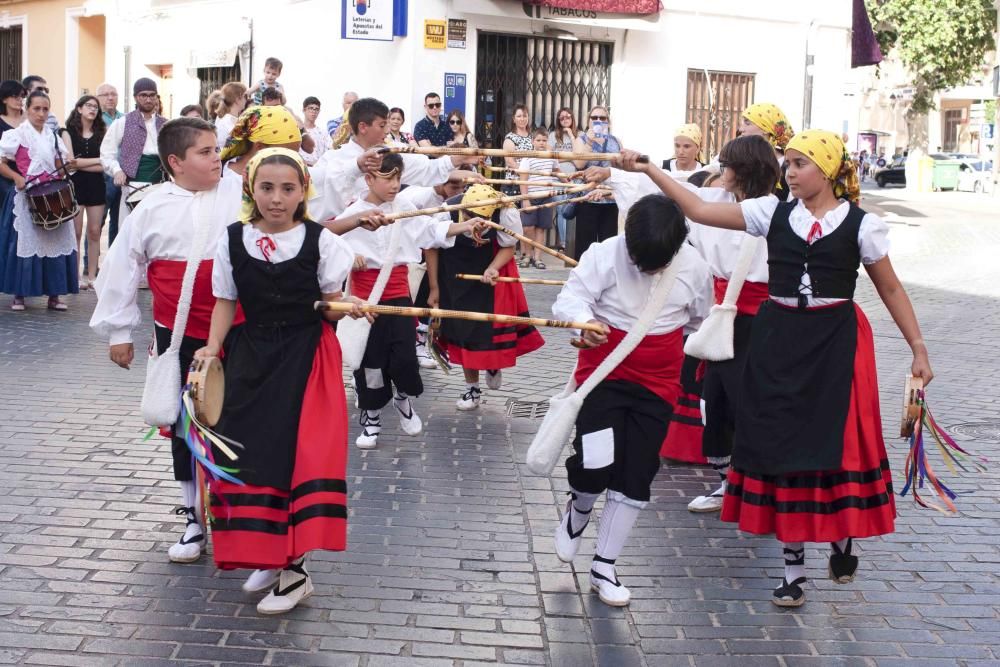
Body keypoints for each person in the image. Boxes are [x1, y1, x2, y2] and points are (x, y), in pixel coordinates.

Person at [617, 130, 933, 608]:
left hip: (834, 343)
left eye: (800, 164)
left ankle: (841, 536)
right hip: (778, 340)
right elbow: (699, 210)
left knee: (833, 447)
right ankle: (793, 572)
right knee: (778, 448)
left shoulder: (861, 226)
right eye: (787, 163)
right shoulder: (771, 212)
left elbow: (890, 289)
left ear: (825, 170)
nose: (790, 171)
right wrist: (649, 170)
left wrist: (919, 348)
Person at [194, 148, 361, 614]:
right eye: (267, 187)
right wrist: (211, 349)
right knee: (253, 456)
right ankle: (270, 554)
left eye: (288, 188)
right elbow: (225, 300)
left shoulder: (323, 242)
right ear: (251, 189)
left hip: (305, 359)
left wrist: (347, 306)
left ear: (303, 191)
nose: (276, 198)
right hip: (249, 358)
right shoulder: (232, 240)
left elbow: (328, 305)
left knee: (295, 458)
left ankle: (296, 570)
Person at [91, 117, 245, 564]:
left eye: (217, 150)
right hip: (177, 337)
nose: (217, 158)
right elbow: (122, 268)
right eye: (206, 152)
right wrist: (120, 332)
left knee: (239, 421)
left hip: (237, 332)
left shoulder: (240, 192)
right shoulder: (152, 208)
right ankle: (194, 517)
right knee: (186, 428)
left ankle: (239, 515)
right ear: (175, 162)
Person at [596, 135, 778, 502]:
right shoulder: (720, 198)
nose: (720, 169)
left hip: (757, 321)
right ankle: (730, 481)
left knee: (750, 404)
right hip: (718, 314)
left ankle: (759, 486)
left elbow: (692, 207)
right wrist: (622, 173)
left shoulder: (770, 209)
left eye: (726, 164)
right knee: (714, 402)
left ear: (744, 170)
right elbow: (676, 193)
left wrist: (644, 168)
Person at [551, 194, 711, 607]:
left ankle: (604, 566)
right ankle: (579, 508)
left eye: (655, 263)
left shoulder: (694, 268)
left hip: (658, 381)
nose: (645, 269)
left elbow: (697, 319)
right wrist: (583, 322)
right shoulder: (604, 253)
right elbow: (572, 297)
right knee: (595, 461)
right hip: (603, 372)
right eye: (640, 260)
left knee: (638, 471)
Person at [331, 153, 483, 449]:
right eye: (388, 178)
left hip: (399, 295)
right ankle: (371, 418)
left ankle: (402, 400)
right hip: (365, 302)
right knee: (370, 363)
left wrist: (465, 226)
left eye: (398, 178)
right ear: (369, 179)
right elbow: (326, 242)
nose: (394, 185)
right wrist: (350, 257)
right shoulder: (353, 214)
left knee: (403, 357)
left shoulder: (405, 208)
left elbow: (432, 231)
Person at [435, 184, 545, 411]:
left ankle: (492, 363)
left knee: (487, 328)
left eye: (480, 219)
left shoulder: (505, 212)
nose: (474, 223)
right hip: (454, 274)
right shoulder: (448, 209)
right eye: (469, 216)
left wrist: (493, 268)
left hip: (489, 271)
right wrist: (434, 287)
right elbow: (431, 246)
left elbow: (509, 246)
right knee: (463, 330)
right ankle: (472, 388)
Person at [308, 97, 476, 222]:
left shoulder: (391, 153)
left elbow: (426, 169)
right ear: (363, 127)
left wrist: (455, 159)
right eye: (382, 125)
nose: (387, 130)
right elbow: (316, 190)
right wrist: (357, 166)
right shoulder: (334, 158)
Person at [0, 90, 78, 311]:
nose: (41, 114)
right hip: (28, 196)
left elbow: (58, 164)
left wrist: (65, 168)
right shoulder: (17, 135)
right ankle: (19, 295)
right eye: (37, 108)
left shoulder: (53, 136)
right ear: (27, 109)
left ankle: (54, 295)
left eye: (45, 109)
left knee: (55, 242)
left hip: (52, 196)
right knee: (23, 244)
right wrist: (16, 178)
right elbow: (1, 162)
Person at [101, 78, 168, 226]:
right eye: (143, 95)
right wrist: (117, 171)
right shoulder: (123, 122)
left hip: (162, 186)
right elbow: (106, 153)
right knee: (131, 234)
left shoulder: (166, 124)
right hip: (133, 187)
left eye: (152, 95)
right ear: (135, 97)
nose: (148, 99)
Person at [60, 95, 107, 289]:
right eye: (88, 105)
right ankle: (75, 276)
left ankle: (92, 275)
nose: (92, 109)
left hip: (97, 185)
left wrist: (80, 164)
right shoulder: (66, 132)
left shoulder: (103, 132)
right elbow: (70, 163)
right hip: (75, 185)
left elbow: (106, 164)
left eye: (96, 107)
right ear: (79, 109)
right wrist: (96, 161)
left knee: (95, 231)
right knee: (76, 232)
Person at [571, 105, 620, 259]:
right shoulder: (581, 139)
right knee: (585, 246)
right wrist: (590, 142)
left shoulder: (615, 141)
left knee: (608, 244)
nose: (598, 120)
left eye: (602, 118)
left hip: (609, 199)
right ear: (588, 121)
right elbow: (578, 164)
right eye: (594, 118)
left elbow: (621, 168)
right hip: (588, 198)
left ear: (608, 122)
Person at [219, 105, 303, 182]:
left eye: (295, 157)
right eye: (286, 158)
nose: (293, 165)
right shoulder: (222, 181)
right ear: (260, 147)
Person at [517, 128, 558, 269]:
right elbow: (523, 179)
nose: (541, 143)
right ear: (533, 141)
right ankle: (528, 255)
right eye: (538, 140)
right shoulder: (527, 157)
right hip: (531, 196)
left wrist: (567, 177)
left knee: (541, 228)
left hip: (546, 196)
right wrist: (525, 198)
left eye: (544, 140)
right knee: (528, 227)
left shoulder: (551, 156)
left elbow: (556, 170)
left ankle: (537, 257)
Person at [736, 102, 794, 201]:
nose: (741, 129)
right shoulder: (741, 160)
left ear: (766, 129)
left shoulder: (788, 166)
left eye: (747, 123)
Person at [96, 83, 124, 247]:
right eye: (105, 95)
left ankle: (113, 261)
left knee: (119, 221)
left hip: (123, 175)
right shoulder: (95, 119)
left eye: (113, 94)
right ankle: (90, 263)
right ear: (98, 98)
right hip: (103, 175)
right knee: (97, 223)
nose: (110, 98)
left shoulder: (125, 118)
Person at [549, 107, 580, 253]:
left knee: (573, 209)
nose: (565, 120)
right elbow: (552, 157)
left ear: (573, 118)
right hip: (559, 176)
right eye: (562, 118)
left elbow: (579, 156)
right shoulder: (553, 136)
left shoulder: (580, 135)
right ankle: (563, 243)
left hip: (576, 177)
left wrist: (571, 135)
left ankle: (573, 242)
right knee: (561, 209)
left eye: (568, 117)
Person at [0, 80, 25, 205]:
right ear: (4, 99)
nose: (20, 99)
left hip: (31, 174)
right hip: (6, 177)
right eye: (15, 96)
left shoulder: (30, 120)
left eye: (22, 96)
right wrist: (15, 177)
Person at [502, 104, 533, 195]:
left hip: (530, 182)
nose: (522, 119)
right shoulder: (510, 137)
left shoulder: (532, 137)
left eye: (524, 116)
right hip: (514, 182)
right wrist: (526, 173)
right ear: (514, 119)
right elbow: (509, 162)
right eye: (519, 116)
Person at [213, 82, 248, 149]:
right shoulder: (227, 121)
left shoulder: (229, 118)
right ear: (237, 99)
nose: (246, 99)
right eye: (245, 96)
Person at [300, 96, 331, 166]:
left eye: (316, 109)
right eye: (311, 108)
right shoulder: (297, 130)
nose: (314, 111)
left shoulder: (324, 133)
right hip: (302, 168)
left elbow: (329, 152)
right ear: (304, 110)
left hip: (320, 169)